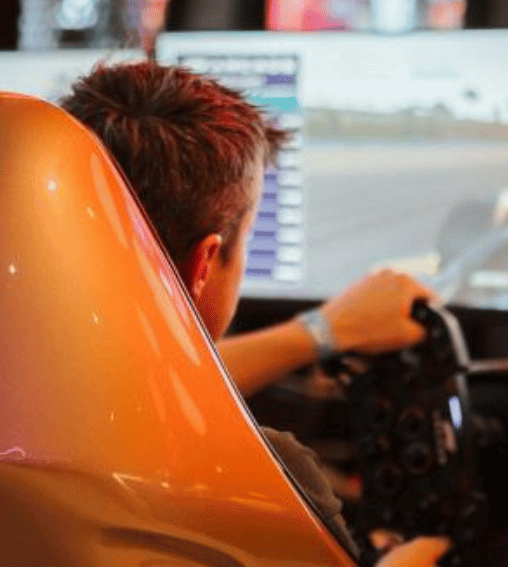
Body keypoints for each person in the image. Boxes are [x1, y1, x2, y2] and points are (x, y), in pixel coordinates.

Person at [59, 61, 446, 565]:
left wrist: (322, 333)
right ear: (204, 262)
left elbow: (134, 392)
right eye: (248, 235)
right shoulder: (261, 477)